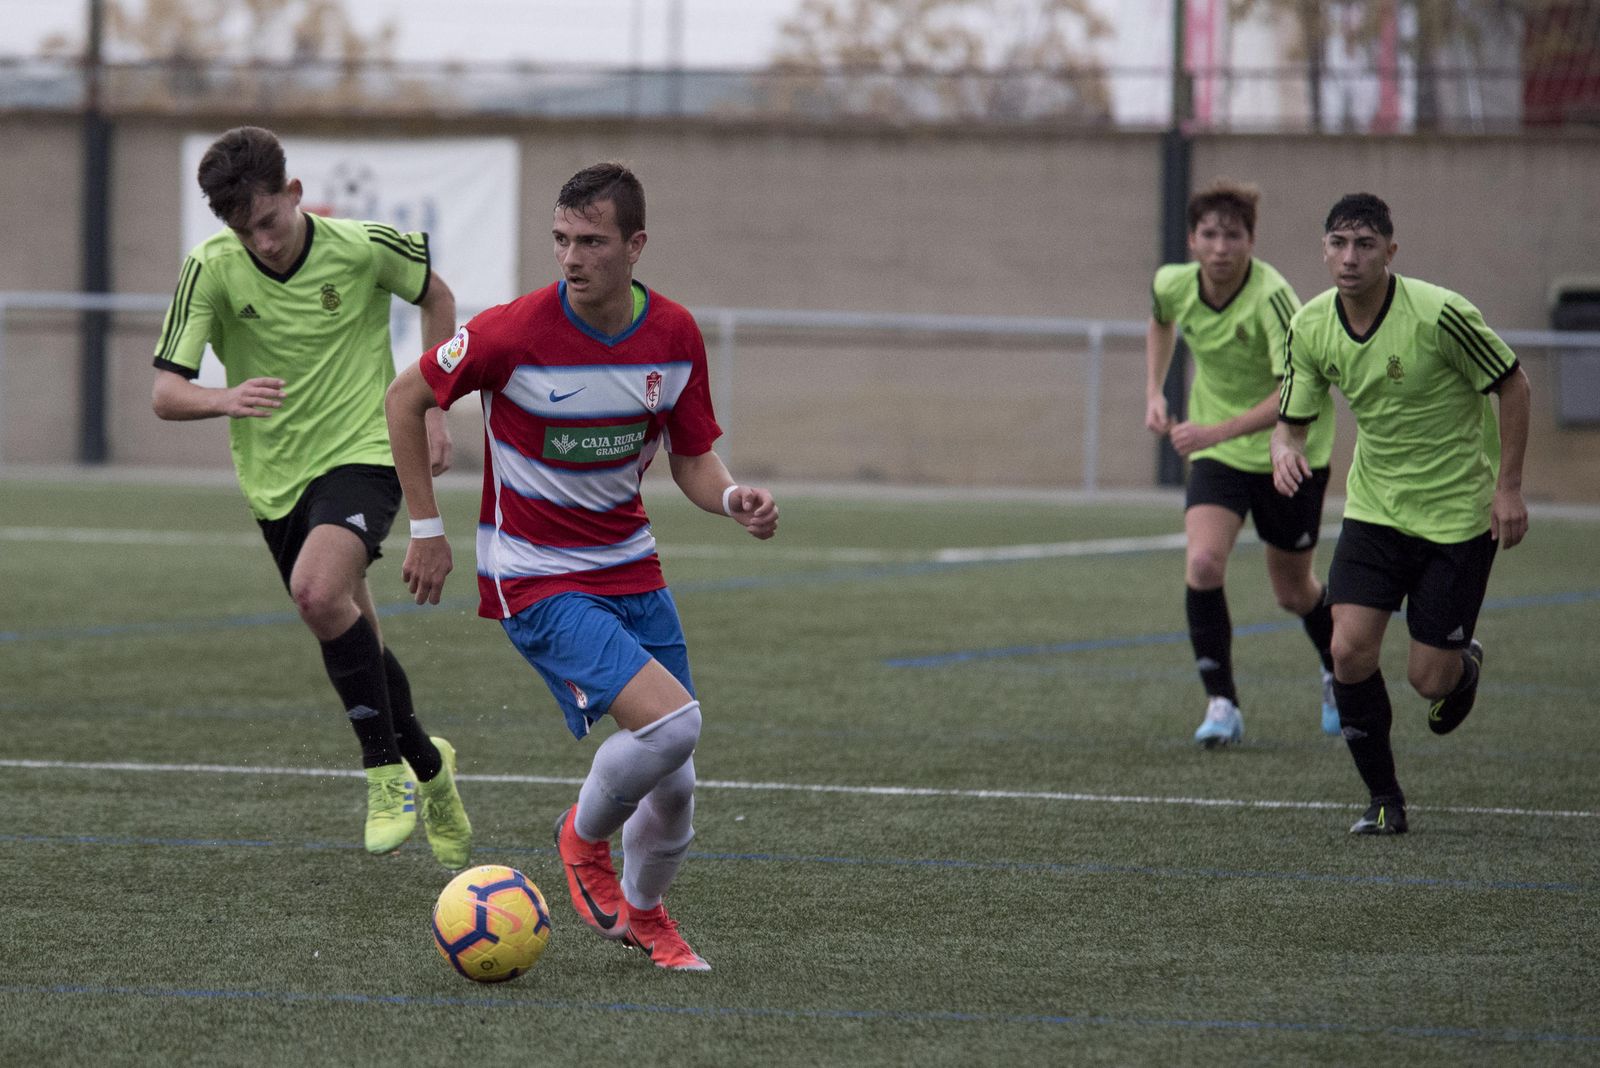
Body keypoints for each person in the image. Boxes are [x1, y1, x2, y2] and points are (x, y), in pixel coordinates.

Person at [385, 161, 779, 971]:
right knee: (676, 725)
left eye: (592, 241)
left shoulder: (672, 336)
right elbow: (405, 399)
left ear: (635, 246)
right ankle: (582, 839)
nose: (571, 257)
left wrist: (733, 496)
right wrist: (427, 528)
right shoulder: (511, 332)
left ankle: (646, 916)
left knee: (676, 782)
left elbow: (695, 462)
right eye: (561, 239)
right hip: (534, 575)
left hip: (630, 565)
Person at [150, 126, 473, 867]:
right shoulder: (212, 268)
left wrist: (430, 410)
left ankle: (382, 771)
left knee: (316, 592)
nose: (260, 240)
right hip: (276, 480)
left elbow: (440, 298)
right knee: (347, 623)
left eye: (268, 220)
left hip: (366, 450)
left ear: (295, 195)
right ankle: (432, 768)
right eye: (243, 228)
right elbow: (166, 394)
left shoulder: (364, 246)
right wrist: (225, 398)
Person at [1272, 192, 1530, 835]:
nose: (1349, 257)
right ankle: (1384, 799)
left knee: (1427, 680)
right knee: (1348, 650)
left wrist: (1509, 488)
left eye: (1364, 244)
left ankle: (1462, 665)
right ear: (1323, 249)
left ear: (1391, 251)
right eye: (1338, 243)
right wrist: (1285, 449)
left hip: (1458, 517)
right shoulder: (1310, 325)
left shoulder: (1441, 314)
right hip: (1376, 512)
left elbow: (1513, 383)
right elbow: (1292, 421)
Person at [1145, 180, 1340, 748]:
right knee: (1203, 563)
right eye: (1209, 234)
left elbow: (1296, 391)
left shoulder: (1274, 297)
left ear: (1251, 241)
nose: (1221, 246)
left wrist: (1213, 429)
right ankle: (1222, 703)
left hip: (1291, 449)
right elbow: (1160, 320)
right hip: (1219, 454)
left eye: (1233, 235)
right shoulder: (1172, 283)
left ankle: (1336, 670)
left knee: (1293, 591)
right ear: (1192, 239)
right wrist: (1154, 392)